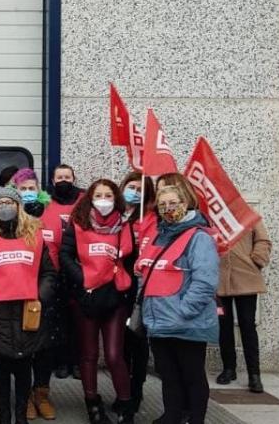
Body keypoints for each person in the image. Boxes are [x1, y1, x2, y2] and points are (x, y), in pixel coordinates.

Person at [0, 187, 57, 424]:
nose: (5, 206)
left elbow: (49, 273)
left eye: (10, 202)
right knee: (2, 367)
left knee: (24, 367)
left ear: (19, 207)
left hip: (28, 311)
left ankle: (21, 416)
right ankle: (4, 416)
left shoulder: (35, 236)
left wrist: (39, 296)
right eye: (0, 203)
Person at [137, 184, 219, 424]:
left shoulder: (199, 237)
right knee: (168, 375)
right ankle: (172, 415)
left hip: (185, 322)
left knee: (192, 375)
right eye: (163, 205)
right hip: (159, 320)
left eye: (173, 203)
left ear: (186, 204)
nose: (168, 209)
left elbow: (205, 282)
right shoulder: (158, 236)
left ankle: (195, 419)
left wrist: (183, 311)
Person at [59, 179, 136, 423]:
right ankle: (92, 403)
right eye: (98, 195)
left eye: (108, 195)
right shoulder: (79, 224)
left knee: (114, 355)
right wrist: (82, 277)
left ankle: (125, 404)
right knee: (89, 354)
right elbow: (65, 255)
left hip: (115, 296)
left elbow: (132, 260)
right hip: (87, 296)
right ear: (90, 198)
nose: (103, 200)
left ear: (116, 199)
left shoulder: (125, 226)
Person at [12, 167, 72, 421]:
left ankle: (41, 393)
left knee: (45, 345)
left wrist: (48, 286)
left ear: (40, 190)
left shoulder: (53, 212)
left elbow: (62, 248)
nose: (28, 193)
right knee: (22, 345)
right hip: (17, 287)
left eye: (31, 188)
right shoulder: (8, 213)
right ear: (16, 191)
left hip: (48, 287)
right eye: (23, 189)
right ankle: (24, 396)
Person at [215, 222, 272, 393]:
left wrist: (256, 261)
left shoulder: (247, 215)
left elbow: (263, 240)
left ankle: (254, 374)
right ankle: (228, 368)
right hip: (219, 279)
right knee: (223, 325)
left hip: (246, 277)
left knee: (247, 325)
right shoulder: (214, 216)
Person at [119, 172, 155, 414]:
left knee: (137, 341)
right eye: (131, 186)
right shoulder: (117, 216)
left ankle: (136, 392)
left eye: (140, 188)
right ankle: (123, 391)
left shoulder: (150, 218)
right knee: (120, 345)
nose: (135, 191)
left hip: (139, 287)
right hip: (116, 287)